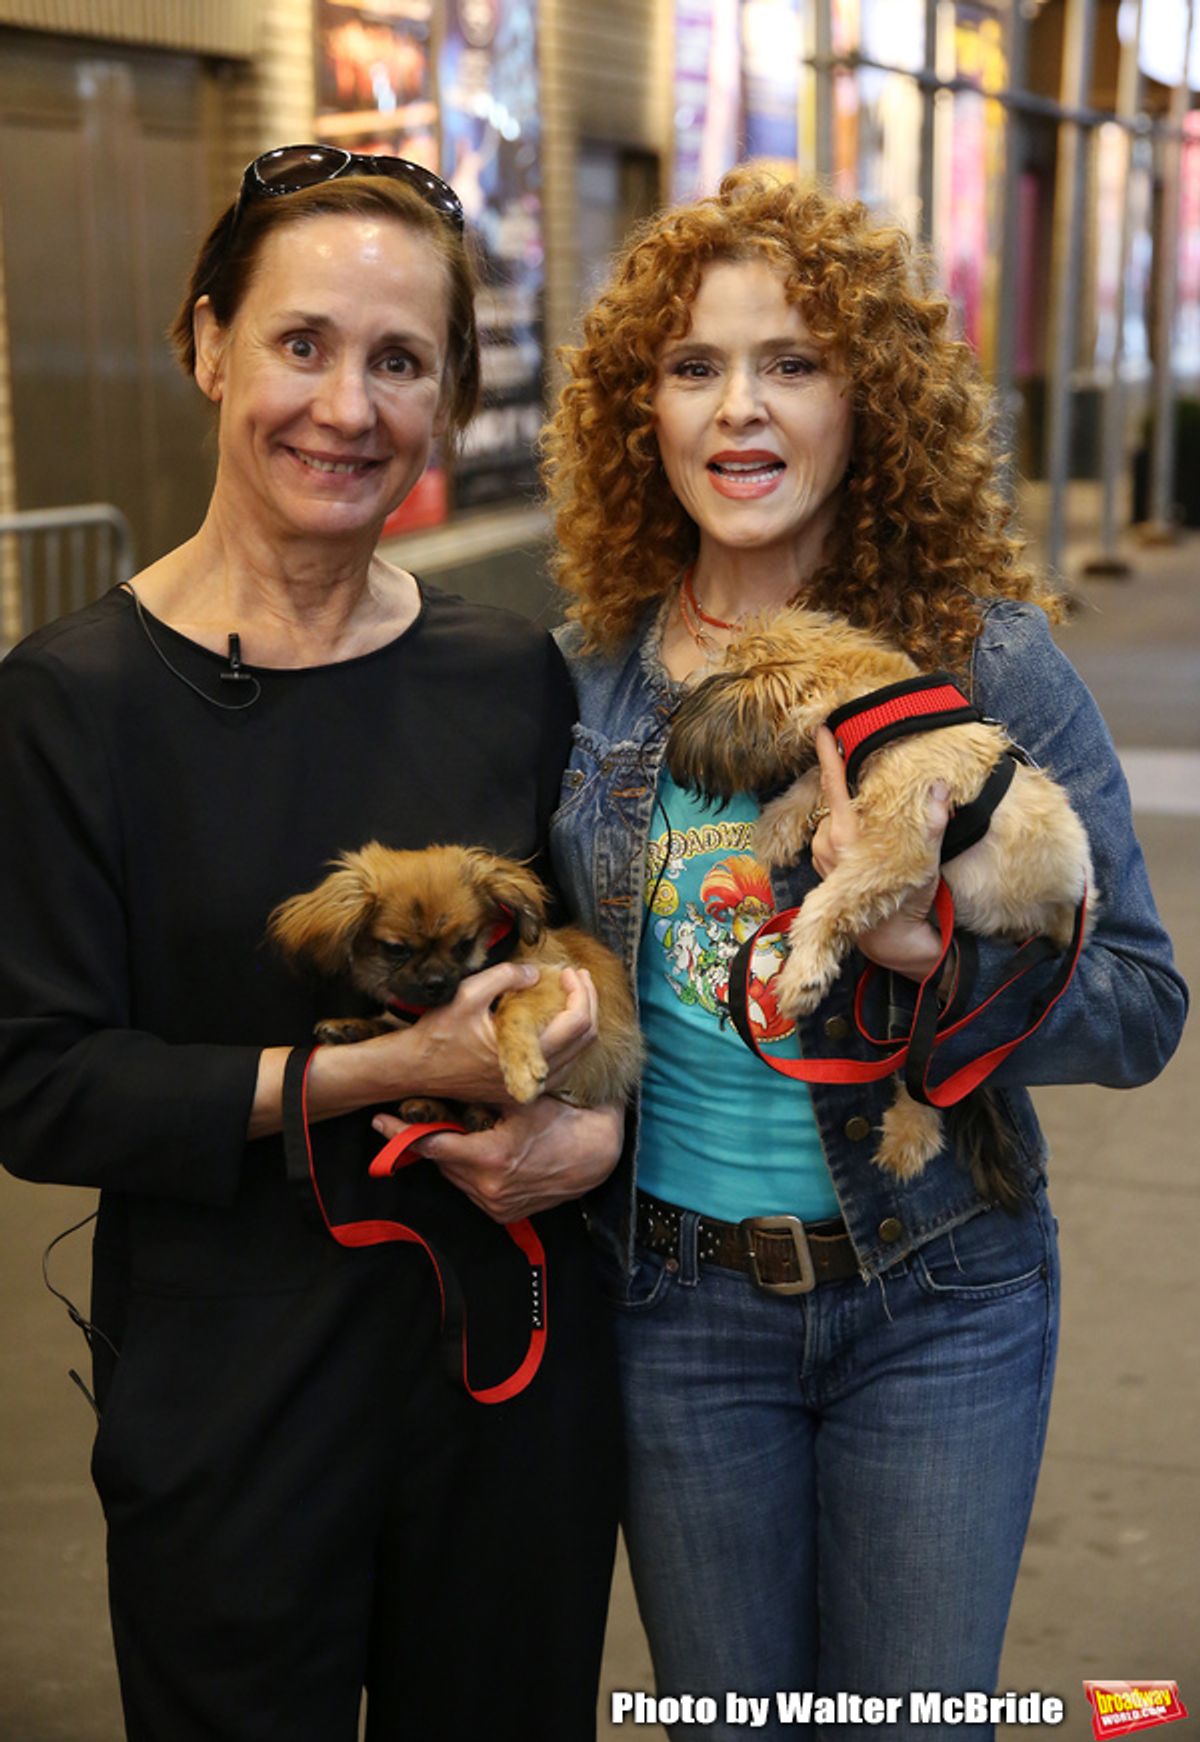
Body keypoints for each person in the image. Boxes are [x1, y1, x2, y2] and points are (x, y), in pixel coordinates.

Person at [542, 169, 1187, 1739]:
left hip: (941, 1296)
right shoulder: (582, 683)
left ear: (868, 401)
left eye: (794, 362)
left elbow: (1143, 1003)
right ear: (646, 410)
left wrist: (935, 951)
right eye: (696, 367)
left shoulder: (983, 661)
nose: (741, 410)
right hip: (675, 1313)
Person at [0, 145, 623, 1742]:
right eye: (301, 343)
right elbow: (46, 1088)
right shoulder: (75, 704)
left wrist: (594, 1121)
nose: (347, 406)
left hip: (502, 1389)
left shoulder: (510, 675)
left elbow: (598, 972)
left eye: (400, 361)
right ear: (206, 342)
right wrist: (388, 1072)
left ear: (450, 395)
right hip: (230, 1410)